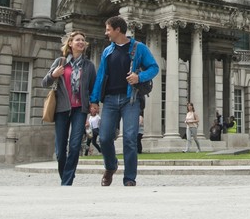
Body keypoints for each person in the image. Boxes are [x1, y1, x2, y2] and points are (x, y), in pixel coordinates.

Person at [90, 16, 160, 187]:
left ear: (117, 30)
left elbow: (154, 67)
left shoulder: (139, 48)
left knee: (129, 138)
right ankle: (111, 166)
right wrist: (93, 100)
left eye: (108, 29)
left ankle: (129, 177)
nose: (106, 33)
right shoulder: (107, 51)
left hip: (131, 99)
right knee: (104, 137)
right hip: (110, 100)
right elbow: (101, 76)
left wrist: (139, 77)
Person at [41, 31, 96, 186]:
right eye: (77, 40)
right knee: (60, 150)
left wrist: (94, 103)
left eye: (83, 40)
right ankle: (65, 176)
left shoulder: (89, 66)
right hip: (61, 109)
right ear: (70, 44)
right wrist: (54, 74)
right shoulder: (61, 62)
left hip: (80, 109)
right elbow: (44, 82)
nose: (81, 42)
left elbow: (93, 88)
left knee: (74, 145)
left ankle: (67, 182)